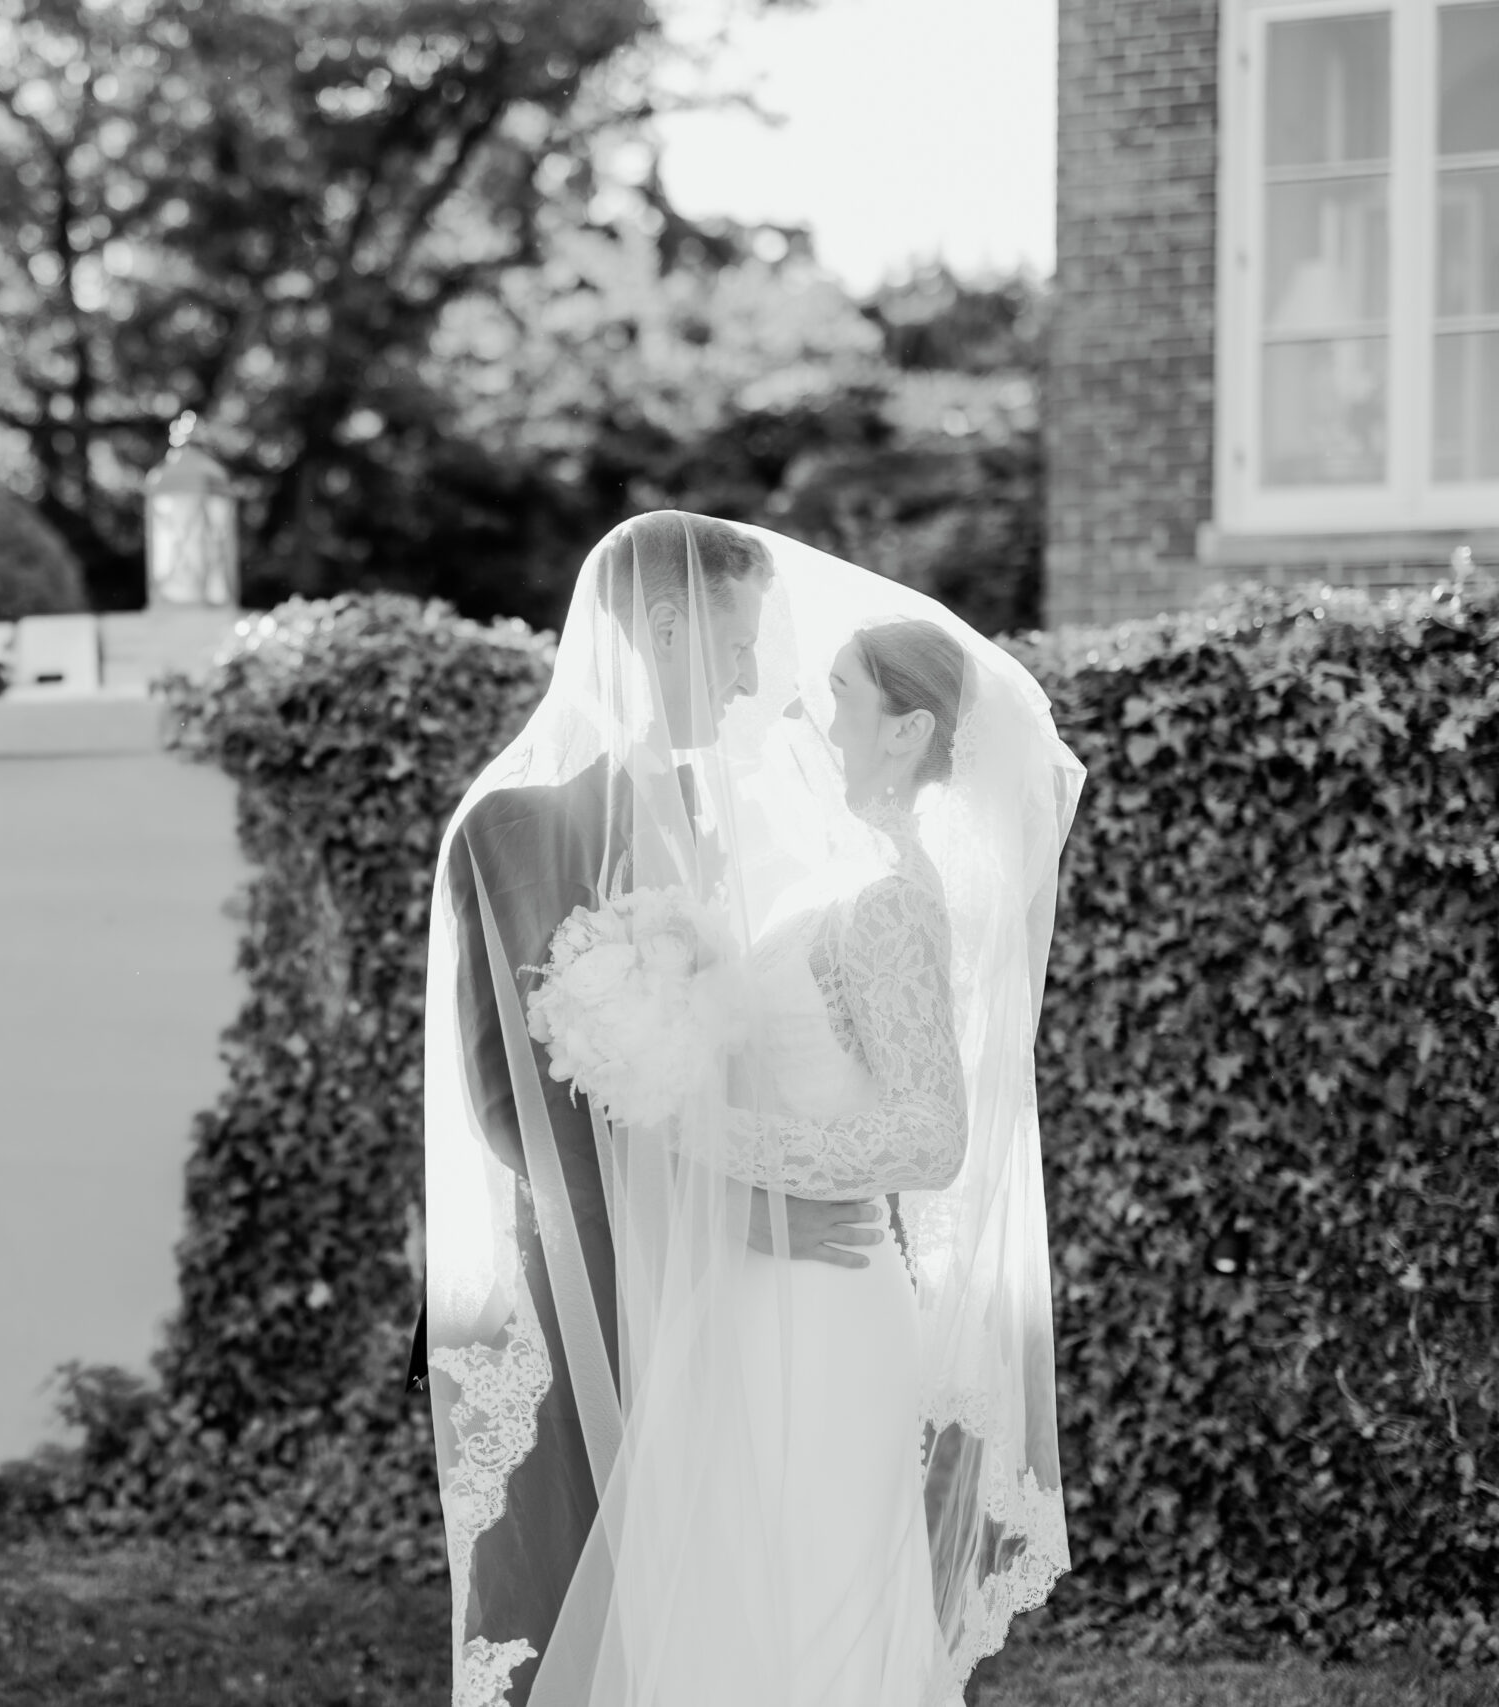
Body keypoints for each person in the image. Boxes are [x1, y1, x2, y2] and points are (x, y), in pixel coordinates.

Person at [421, 514, 1083, 1706]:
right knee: (589, 1609)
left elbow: (821, 1067)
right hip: (594, 1286)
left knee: (760, 1601)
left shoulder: (732, 825)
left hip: (769, 1295)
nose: (753, 684)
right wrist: (687, 1214)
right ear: (666, 626)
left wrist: (735, 1182)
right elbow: (501, 1095)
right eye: (735, 647)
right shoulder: (510, 827)